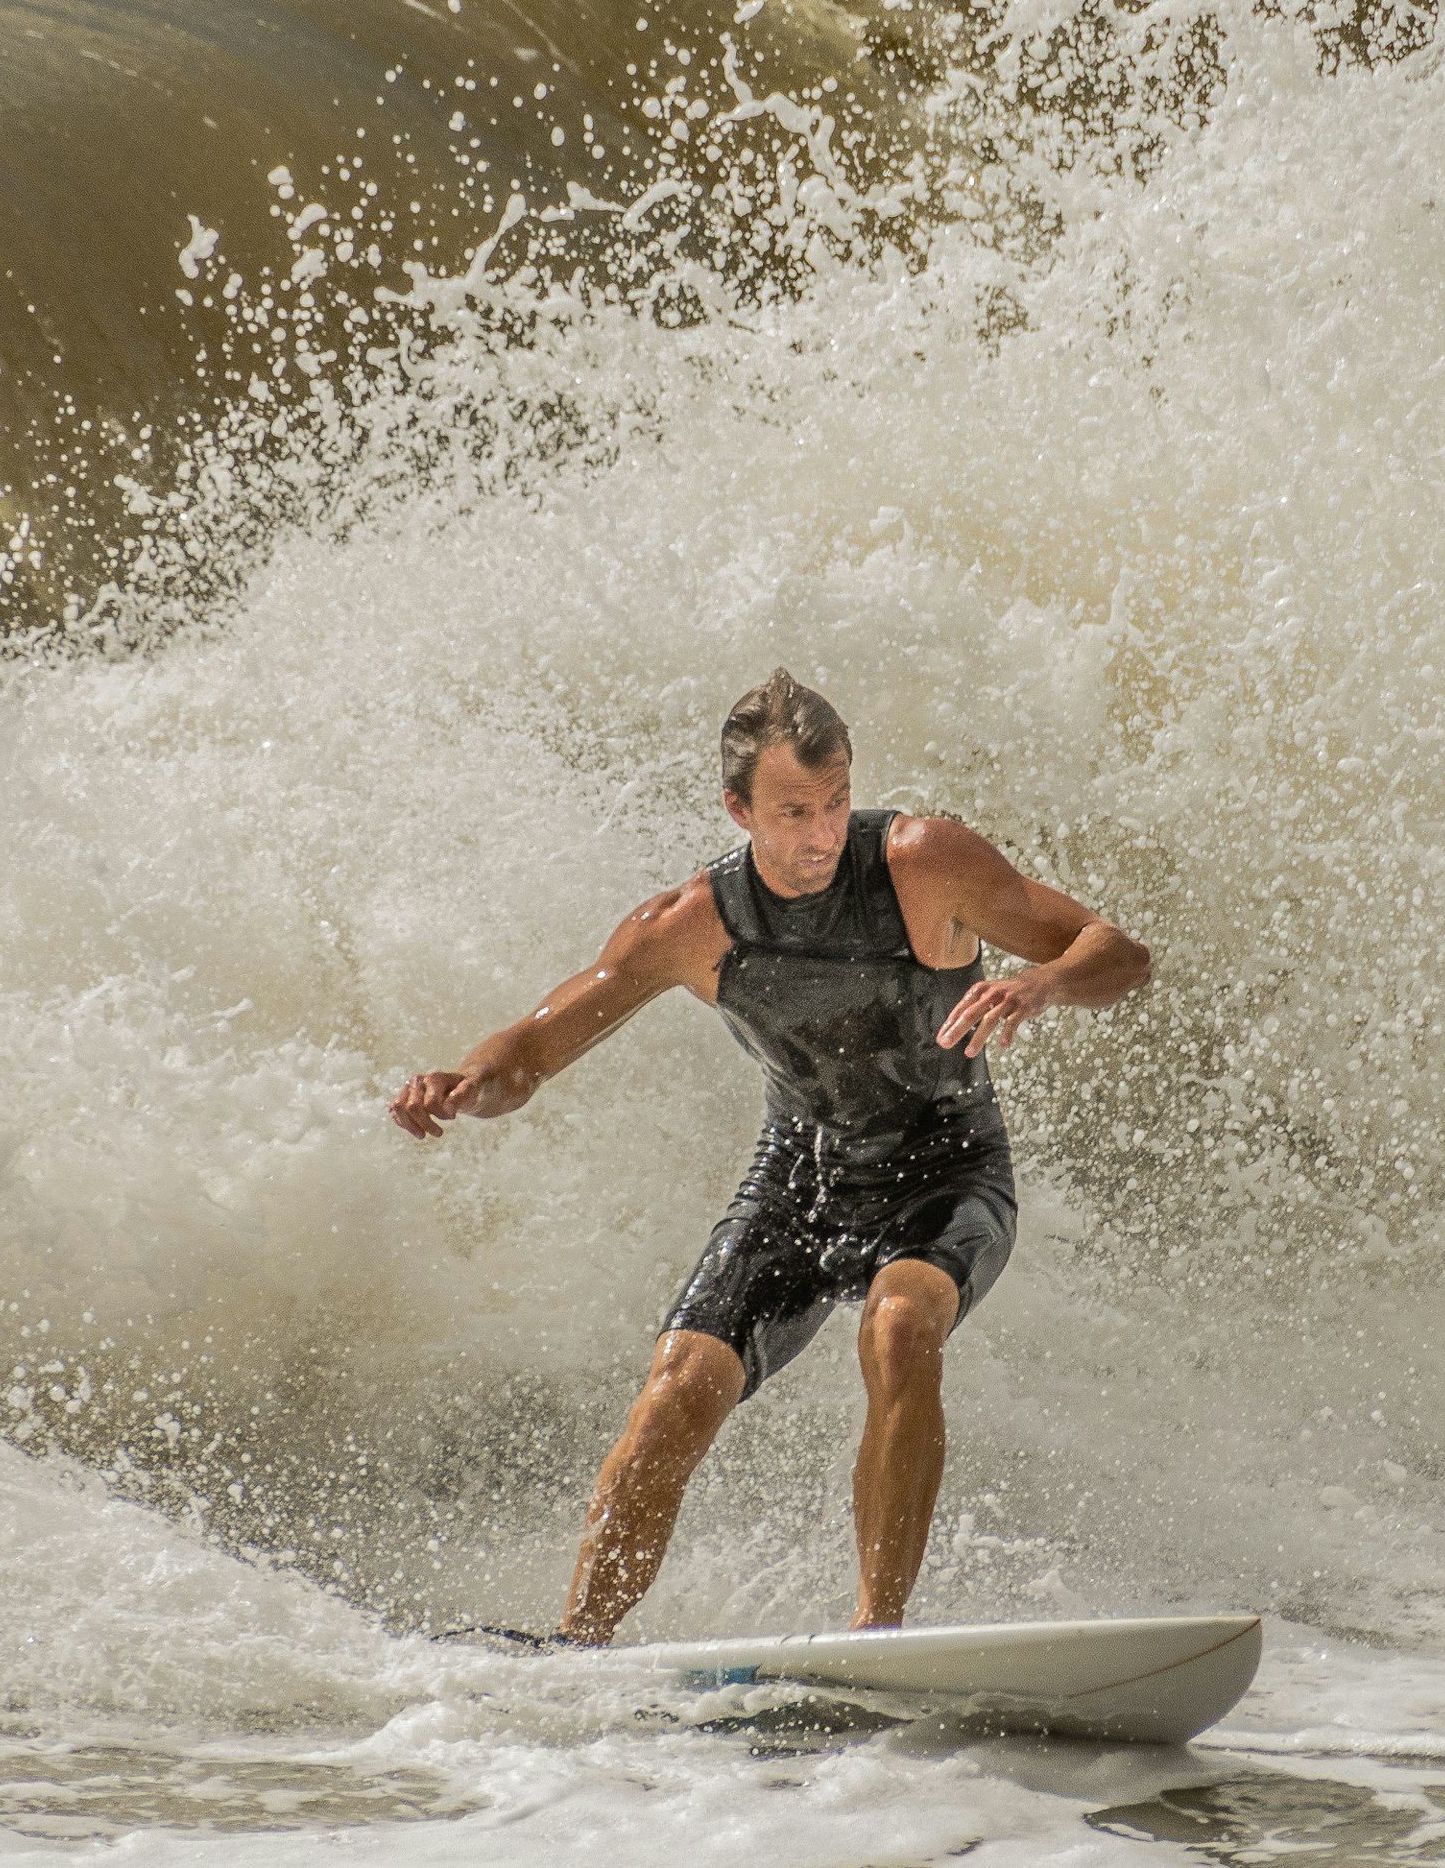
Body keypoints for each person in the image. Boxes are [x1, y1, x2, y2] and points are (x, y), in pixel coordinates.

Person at [390, 670, 1153, 1642]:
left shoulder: (925, 861)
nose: (824, 833)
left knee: (900, 1329)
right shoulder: (691, 924)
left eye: (836, 802)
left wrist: (1043, 983)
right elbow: (535, 1046)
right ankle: (579, 1645)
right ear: (738, 806)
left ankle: (879, 1636)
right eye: (795, 810)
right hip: (801, 1179)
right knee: (678, 1389)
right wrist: (461, 1083)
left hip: (946, 1170)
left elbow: (1118, 952)